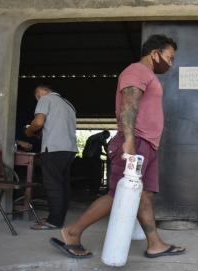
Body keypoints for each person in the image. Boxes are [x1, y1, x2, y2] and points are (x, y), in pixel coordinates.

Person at [50, 34, 186, 258]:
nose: (171, 63)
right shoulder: (137, 71)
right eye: (169, 58)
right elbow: (129, 104)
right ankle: (72, 233)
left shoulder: (148, 75)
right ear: (154, 54)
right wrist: (130, 140)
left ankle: (155, 244)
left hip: (147, 144)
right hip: (136, 141)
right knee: (118, 194)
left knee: (144, 195)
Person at [26, 85, 78, 230]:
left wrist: (29, 131)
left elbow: (38, 122)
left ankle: (54, 221)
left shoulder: (46, 99)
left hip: (54, 148)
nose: (37, 100)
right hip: (69, 149)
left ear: (39, 93)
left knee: (52, 185)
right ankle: (57, 218)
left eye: (36, 97)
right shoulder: (69, 105)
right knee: (63, 185)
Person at [82, 130, 110, 197]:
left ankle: (92, 192)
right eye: (106, 137)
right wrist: (109, 154)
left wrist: (106, 154)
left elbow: (98, 150)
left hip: (88, 157)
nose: (106, 139)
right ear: (105, 134)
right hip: (91, 158)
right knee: (97, 175)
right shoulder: (100, 137)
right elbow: (105, 147)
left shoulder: (95, 137)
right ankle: (93, 192)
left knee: (92, 175)